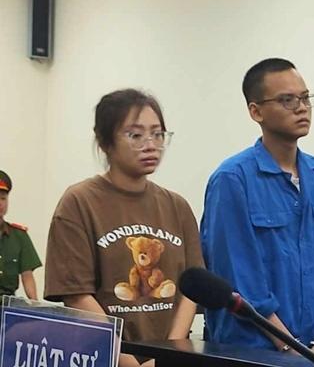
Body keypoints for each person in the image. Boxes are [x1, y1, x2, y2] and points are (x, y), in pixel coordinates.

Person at [200, 58, 314, 358]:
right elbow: (239, 280)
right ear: (256, 111)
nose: (301, 108)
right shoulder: (232, 180)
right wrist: (289, 346)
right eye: (287, 100)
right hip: (250, 351)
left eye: (305, 98)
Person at [44, 89, 204, 367]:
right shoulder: (79, 202)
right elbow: (77, 297)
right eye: (135, 135)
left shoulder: (177, 206)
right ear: (105, 142)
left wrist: (166, 356)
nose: (150, 145)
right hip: (104, 357)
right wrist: (127, 362)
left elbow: (191, 290)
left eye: (158, 134)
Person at [0, 170, 42, 300]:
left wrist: (34, 305)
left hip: (7, 305)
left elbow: (27, 276)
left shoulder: (19, 236)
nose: (0, 203)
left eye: (3, 198)